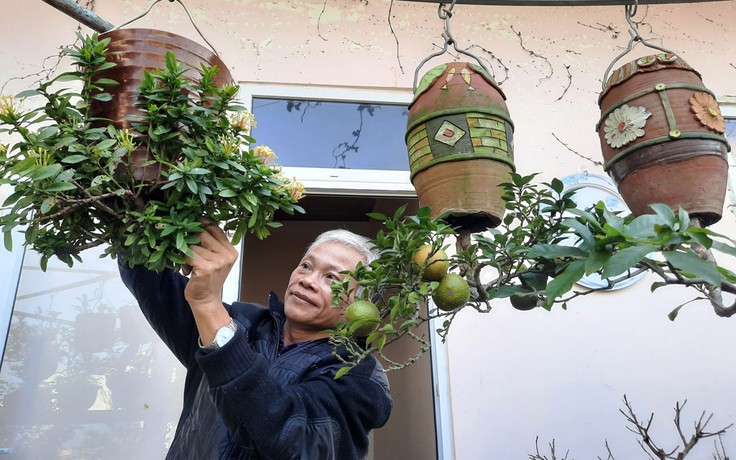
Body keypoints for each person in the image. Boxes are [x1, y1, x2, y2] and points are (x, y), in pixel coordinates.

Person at [118, 222, 392, 459]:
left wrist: (208, 305)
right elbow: (147, 276)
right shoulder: (244, 322)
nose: (307, 280)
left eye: (331, 277)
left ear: (362, 303)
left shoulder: (359, 376)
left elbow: (291, 440)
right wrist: (151, 201)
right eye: (306, 266)